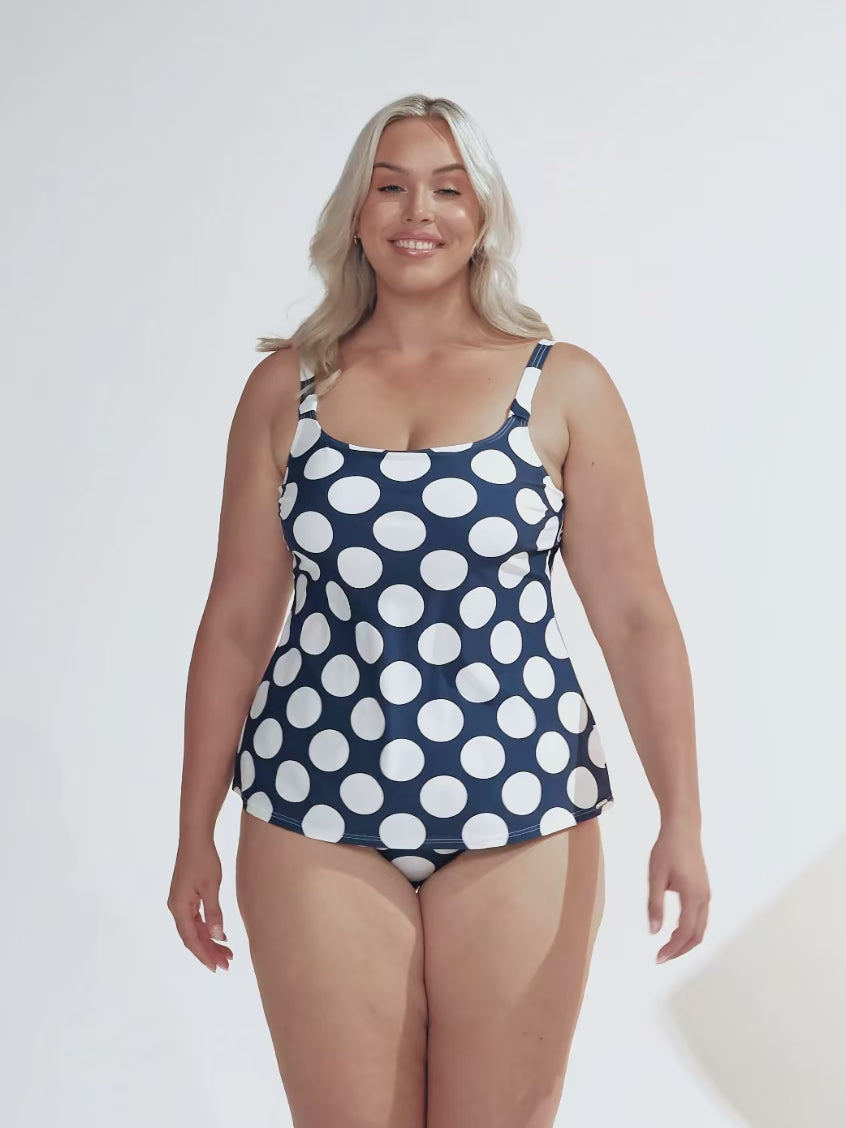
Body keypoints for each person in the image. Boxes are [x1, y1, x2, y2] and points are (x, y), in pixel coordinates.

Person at [168, 93, 710, 1128]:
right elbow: (237, 621)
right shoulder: (288, 390)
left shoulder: (565, 388)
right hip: (310, 806)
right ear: (358, 215)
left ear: (485, 216)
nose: (420, 211)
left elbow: (636, 614)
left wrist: (682, 818)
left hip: (522, 805)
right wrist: (193, 830)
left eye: (449, 188)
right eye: (392, 185)